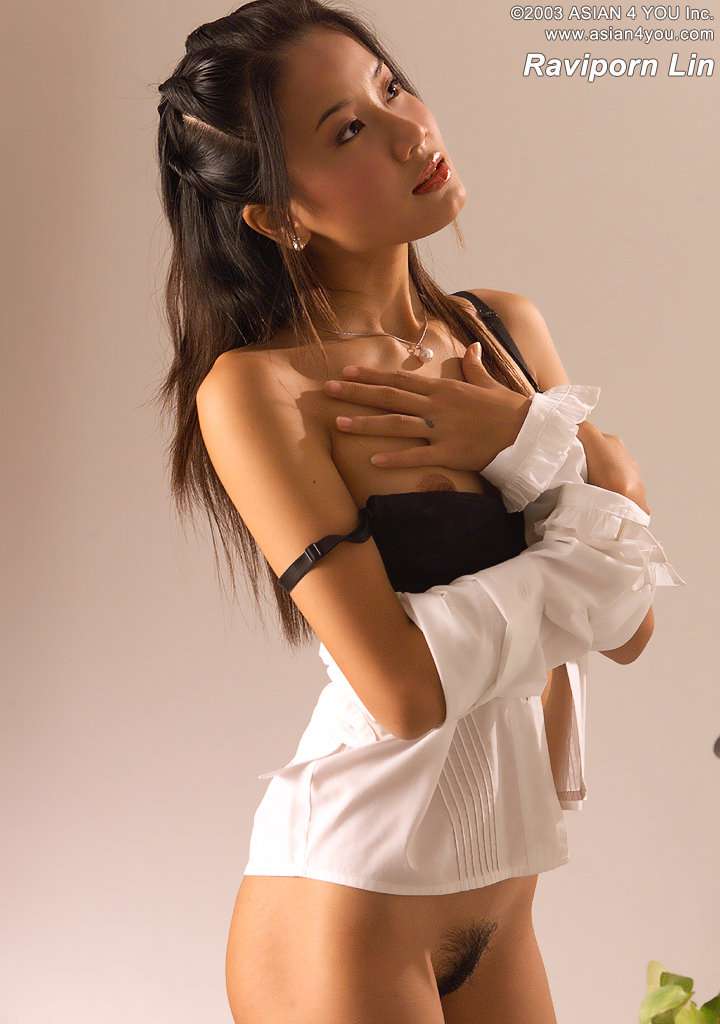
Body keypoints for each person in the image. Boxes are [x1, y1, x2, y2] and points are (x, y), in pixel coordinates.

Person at [154, 3, 684, 1021]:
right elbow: (400, 690)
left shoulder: (505, 330)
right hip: (344, 909)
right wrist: (588, 472)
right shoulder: (263, 391)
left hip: (505, 907)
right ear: (279, 215)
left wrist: (530, 441)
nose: (409, 131)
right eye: (348, 129)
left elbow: (632, 627)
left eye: (390, 88)